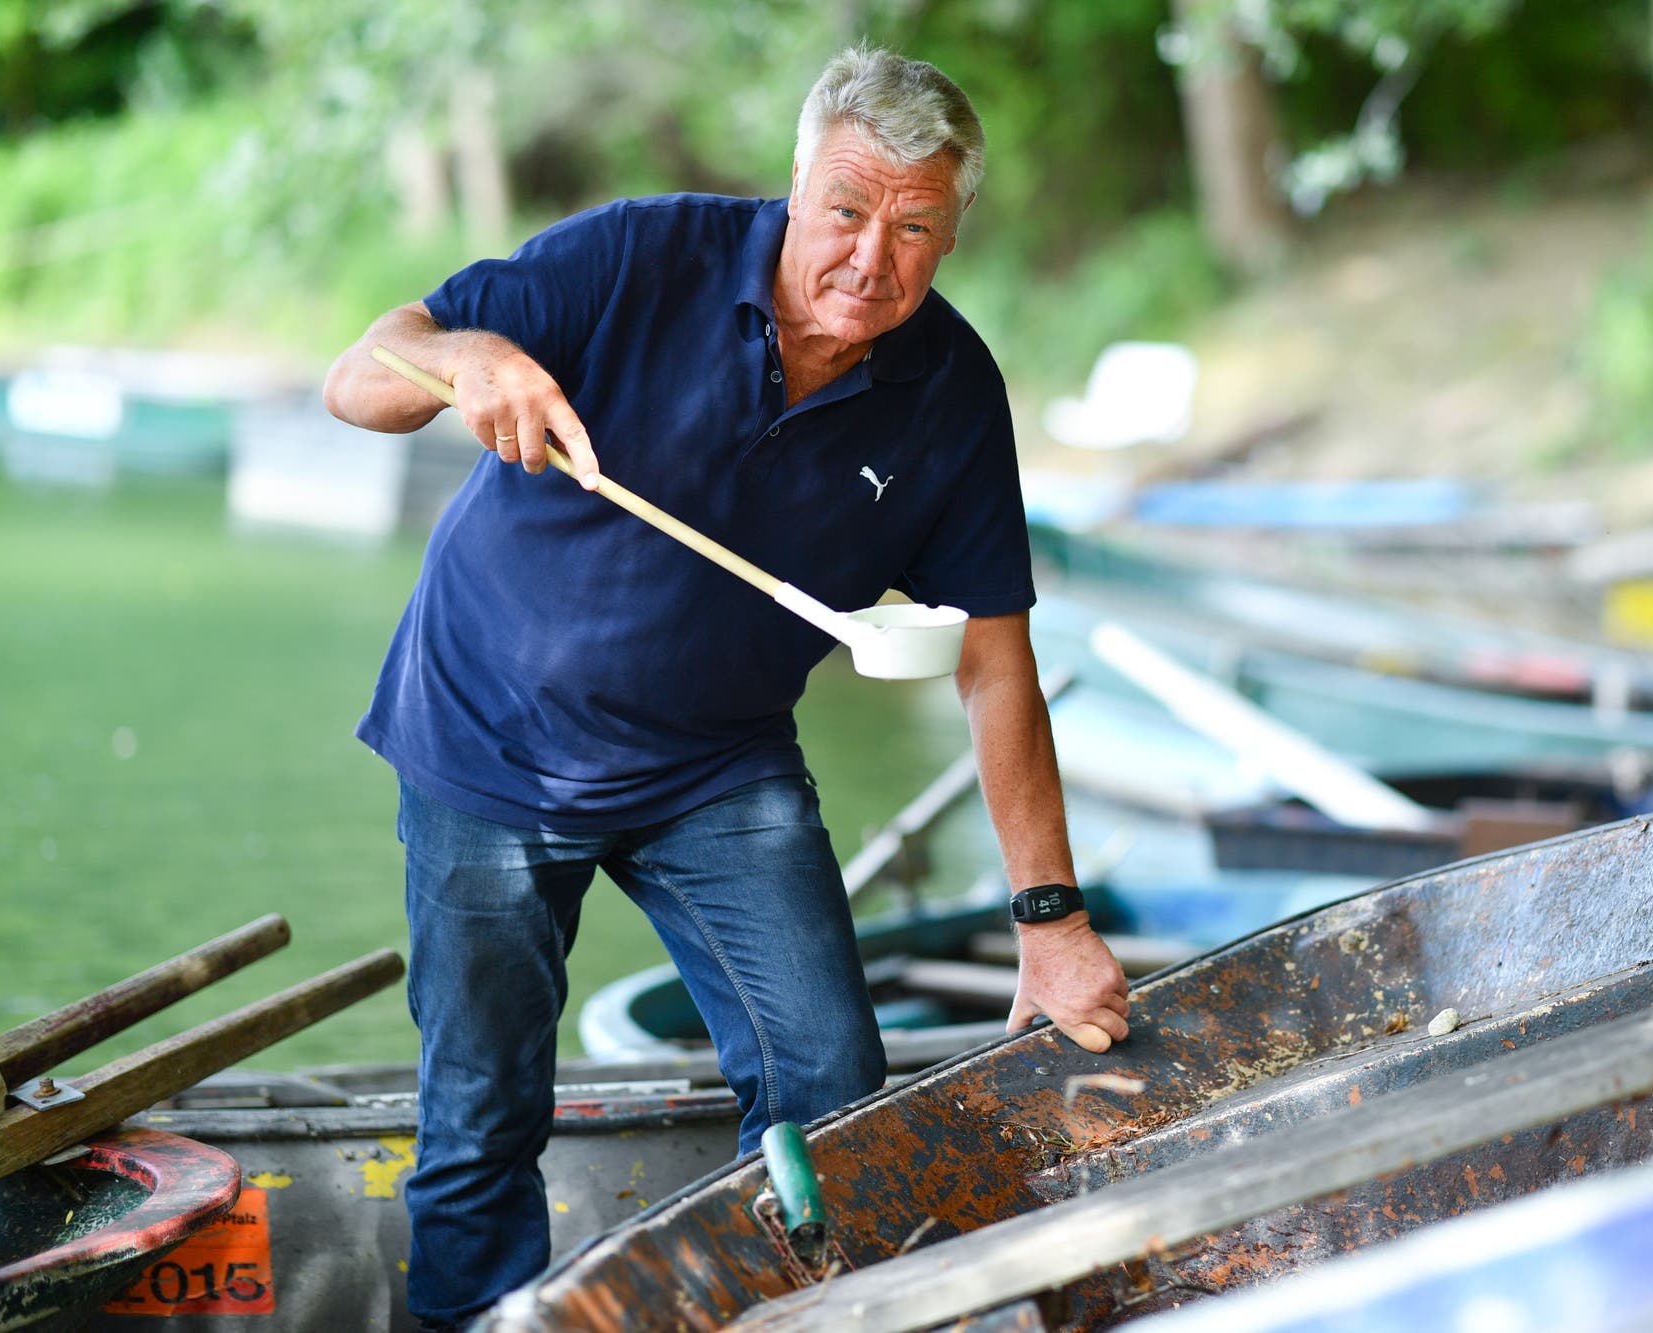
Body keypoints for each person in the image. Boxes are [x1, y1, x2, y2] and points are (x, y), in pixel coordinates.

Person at [322, 45, 1129, 1330]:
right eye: (848, 212)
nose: (873, 258)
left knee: (833, 1082)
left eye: (915, 226)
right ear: (795, 186)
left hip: (715, 760)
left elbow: (991, 662)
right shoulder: (638, 257)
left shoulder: (951, 393)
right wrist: (465, 359)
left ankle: (804, 1309)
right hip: (487, 741)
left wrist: (1047, 913)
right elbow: (361, 372)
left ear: (953, 229)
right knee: (479, 1115)